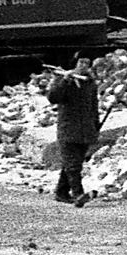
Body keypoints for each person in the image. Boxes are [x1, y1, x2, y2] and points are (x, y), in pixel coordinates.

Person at [45, 58, 101, 207]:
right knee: (73, 165)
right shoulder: (63, 80)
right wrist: (64, 80)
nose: (83, 66)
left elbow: (94, 107)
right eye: (81, 63)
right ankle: (78, 194)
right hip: (68, 129)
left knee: (72, 164)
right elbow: (53, 98)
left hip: (85, 130)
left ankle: (61, 192)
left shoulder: (90, 84)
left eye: (87, 64)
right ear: (75, 64)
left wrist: (95, 126)